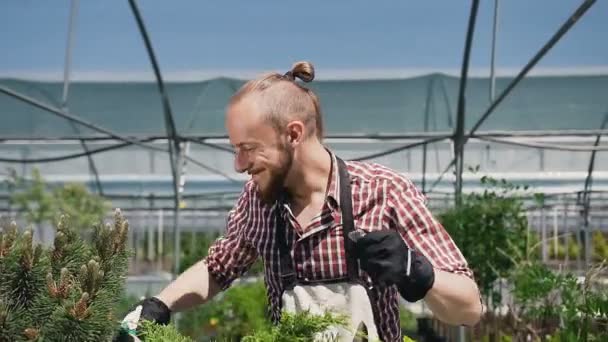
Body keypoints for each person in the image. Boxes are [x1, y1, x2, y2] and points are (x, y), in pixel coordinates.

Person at [119, 61, 482, 342]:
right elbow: (218, 270)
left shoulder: (383, 191)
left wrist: (418, 273)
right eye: (235, 150)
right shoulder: (258, 202)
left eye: (248, 149)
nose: (238, 165)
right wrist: (158, 305)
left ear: (293, 134)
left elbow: (469, 309)